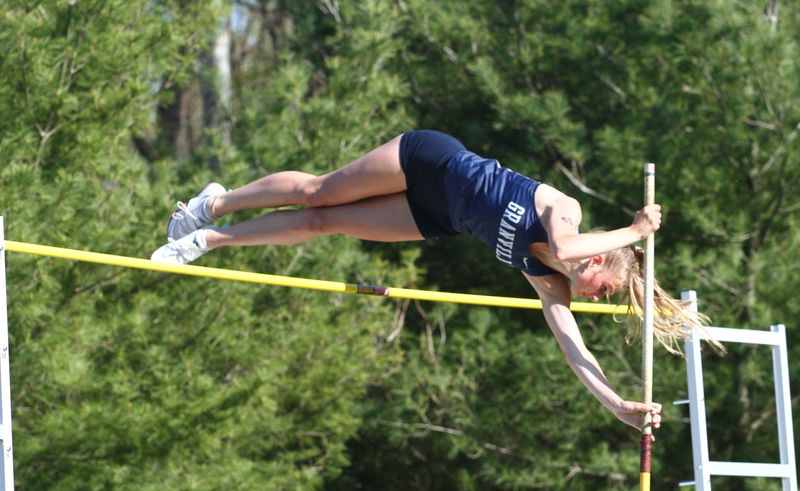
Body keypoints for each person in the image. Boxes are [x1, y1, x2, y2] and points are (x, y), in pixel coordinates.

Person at [151, 129, 676, 433]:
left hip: (437, 217)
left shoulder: (547, 282)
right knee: (318, 193)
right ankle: (213, 203)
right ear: (600, 264)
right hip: (432, 163)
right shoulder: (567, 212)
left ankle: (204, 243)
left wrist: (616, 406)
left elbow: (574, 352)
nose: (593, 299)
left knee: (322, 224)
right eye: (604, 292)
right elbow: (566, 248)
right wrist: (633, 231)